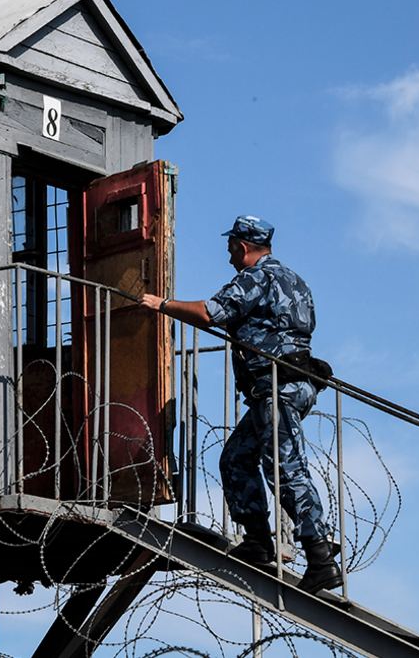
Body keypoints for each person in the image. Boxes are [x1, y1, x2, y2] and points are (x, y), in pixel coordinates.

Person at [138, 215, 342, 593]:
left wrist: (162, 304)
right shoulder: (296, 281)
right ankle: (259, 542)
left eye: (231, 247)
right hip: (289, 385)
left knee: (286, 469)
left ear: (243, 246)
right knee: (236, 459)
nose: (229, 255)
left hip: (277, 388)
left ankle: (319, 557)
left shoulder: (255, 278)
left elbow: (210, 313)